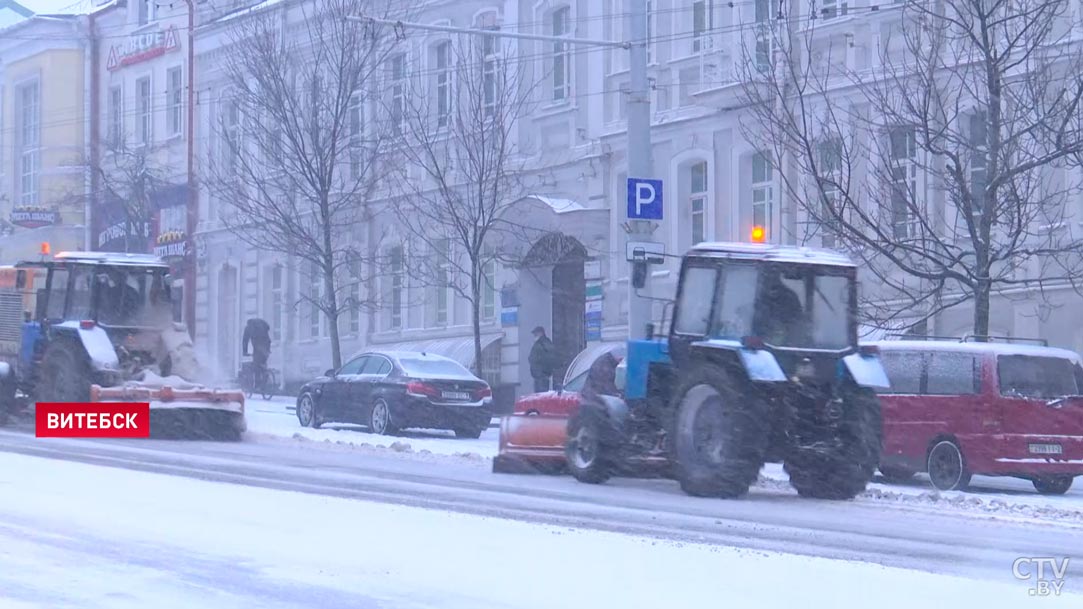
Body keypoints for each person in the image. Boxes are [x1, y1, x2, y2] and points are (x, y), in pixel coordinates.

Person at [528, 326, 557, 393]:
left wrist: (540, 370)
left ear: (541, 333)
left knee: (541, 396)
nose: (534, 335)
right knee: (539, 396)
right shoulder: (540, 343)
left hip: (542, 376)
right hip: (539, 376)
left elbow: (547, 358)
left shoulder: (544, 343)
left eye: (536, 333)